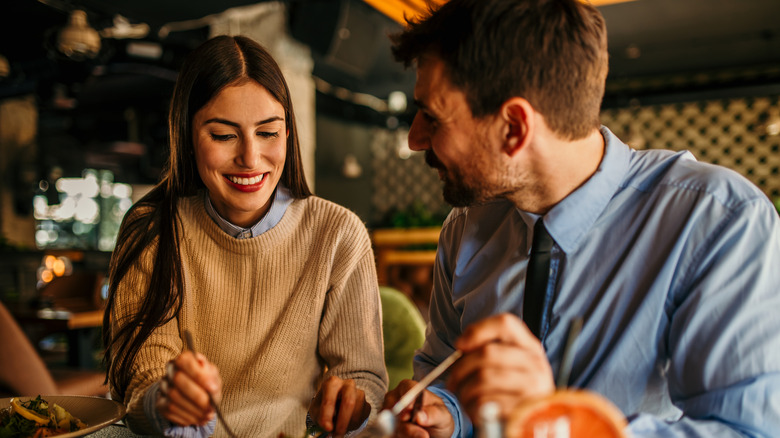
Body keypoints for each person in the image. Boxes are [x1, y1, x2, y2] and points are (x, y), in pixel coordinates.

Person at [382, 0, 780, 437]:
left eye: (432, 118)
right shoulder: (464, 228)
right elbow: (443, 374)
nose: (415, 140)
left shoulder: (717, 222)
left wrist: (561, 422)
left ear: (514, 128)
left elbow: (748, 430)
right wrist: (446, 416)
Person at [102, 35, 387, 438]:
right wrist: (165, 401)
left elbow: (362, 377)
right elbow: (139, 385)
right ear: (186, 135)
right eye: (223, 135)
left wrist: (350, 406)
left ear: (288, 133)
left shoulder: (338, 234)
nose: (250, 158)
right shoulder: (152, 230)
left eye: (268, 133)